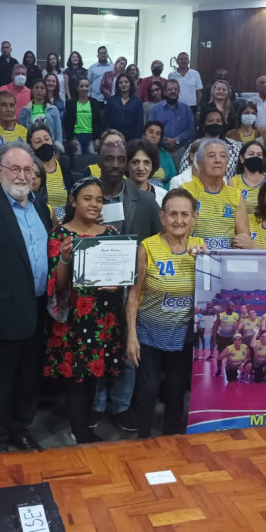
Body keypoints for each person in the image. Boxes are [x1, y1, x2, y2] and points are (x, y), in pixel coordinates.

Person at [0, 142, 53, 452]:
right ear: (0, 171)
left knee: (28, 378)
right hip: (0, 315)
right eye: (15, 168)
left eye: (28, 169)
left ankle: (20, 428)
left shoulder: (41, 207)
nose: (22, 175)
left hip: (37, 309)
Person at [90, 137, 162, 431]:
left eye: (121, 159)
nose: (116, 165)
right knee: (95, 347)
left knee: (128, 350)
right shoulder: (86, 193)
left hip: (131, 287)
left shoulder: (145, 201)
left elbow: (159, 239)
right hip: (92, 288)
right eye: (110, 159)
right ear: (99, 160)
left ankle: (121, 405)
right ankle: (96, 404)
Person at [45, 177, 124, 443]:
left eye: (99, 199)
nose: (94, 204)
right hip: (75, 319)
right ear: (73, 201)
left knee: (94, 374)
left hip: (104, 317)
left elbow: (121, 276)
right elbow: (59, 285)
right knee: (76, 377)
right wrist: (66, 258)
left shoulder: (111, 233)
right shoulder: (60, 236)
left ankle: (84, 429)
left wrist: (118, 285)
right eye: (87, 198)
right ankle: (80, 433)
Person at [127, 189, 204, 437]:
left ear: (194, 218)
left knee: (176, 391)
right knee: (148, 391)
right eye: (172, 214)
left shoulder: (200, 248)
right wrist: (131, 335)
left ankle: (172, 439)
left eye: (185, 214)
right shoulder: (147, 247)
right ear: (162, 217)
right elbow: (134, 294)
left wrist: (207, 264)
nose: (178, 220)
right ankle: (143, 439)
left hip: (183, 337)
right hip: (148, 334)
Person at [181, 139, 247, 250]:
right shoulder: (185, 192)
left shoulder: (236, 195)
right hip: (194, 258)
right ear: (199, 163)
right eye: (211, 156)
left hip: (227, 260)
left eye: (222, 156)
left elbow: (243, 238)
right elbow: (177, 233)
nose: (218, 160)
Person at [149, 80, 195, 166]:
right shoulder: (155, 109)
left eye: (175, 89)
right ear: (165, 91)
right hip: (160, 150)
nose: (173, 91)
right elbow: (150, 130)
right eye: (170, 89)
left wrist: (176, 140)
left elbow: (191, 130)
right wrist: (164, 141)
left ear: (179, 91)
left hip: (180, 150)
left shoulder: (186, 109)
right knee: (161, 177)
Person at [27, 123, 70, 215]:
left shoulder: (64, 169)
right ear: (31, 148)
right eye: (38, 142)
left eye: (47, 139)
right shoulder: (30, 174)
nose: (44, 143)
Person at [228, 141, 266, 215]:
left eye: (259, 155)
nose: (255, 157)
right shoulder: (232, 182)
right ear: (242, 158)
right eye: (251, 154)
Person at [63, 77, 103, 155]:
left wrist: (98, 138)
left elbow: (99, 122)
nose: (84, 88)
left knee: (92, 160)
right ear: (77, 88)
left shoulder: (94, 103)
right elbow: (67, 123)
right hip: (76, 137)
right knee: (79, 161)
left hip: (91, 136)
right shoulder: (71, 103)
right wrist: (70, 139)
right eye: (81, 86)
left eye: (86, 86)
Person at [18, 78, 63, 145]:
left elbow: (58, 132)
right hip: (31, 149)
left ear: (45, 92)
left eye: (42, 88)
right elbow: (21, 133)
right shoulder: (25, 110)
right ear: (32, 91)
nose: (39, 90)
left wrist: (58, 149)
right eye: (36, 88)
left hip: (50, 147)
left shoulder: (53, 109)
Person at [104, 73, 143, 142]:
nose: (123, 84)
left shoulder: (137, 102)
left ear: (130, 83)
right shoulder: (111, 100)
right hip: (113, 137)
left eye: (126, 82)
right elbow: (106, 119)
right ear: (117, 85)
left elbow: (139, 123)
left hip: (131, 139)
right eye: (120, 83)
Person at [126, 139, 166, 207]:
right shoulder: (117, 195)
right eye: (135, 162)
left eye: (146, 163)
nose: (141, 168)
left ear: (152, 167)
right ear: (126, 165)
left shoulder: (163, 196)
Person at [143, 121, 177, 186]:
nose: (154, 136)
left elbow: (173, 179)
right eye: (151, 132)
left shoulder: (166, 156)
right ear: (144, 134)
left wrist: (164, 191)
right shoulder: (136, 153)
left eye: (157, 134)